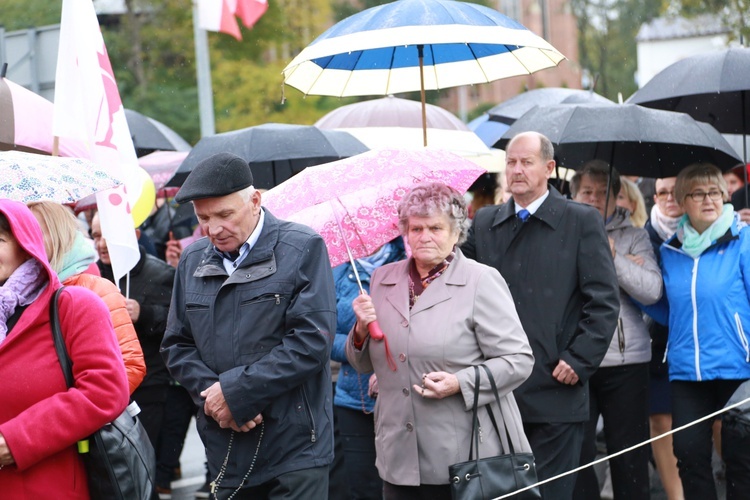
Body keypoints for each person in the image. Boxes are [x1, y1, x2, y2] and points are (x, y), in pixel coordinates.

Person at [161, 152, 337, 499]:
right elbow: (177, 345)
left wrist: (236, 394)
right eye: (203, 218)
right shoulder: (193, 259)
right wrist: (217, 399)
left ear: (255, 200)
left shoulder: (302, 248)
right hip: (226, 444)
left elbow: (310, 343)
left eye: (225, 215)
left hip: (295, 447)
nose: (214, 229)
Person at [348, 182, 534, 500]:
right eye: (416, 228)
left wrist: (459, 382)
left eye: (436, 227)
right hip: (397, 454)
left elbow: (518, 360)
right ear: (405, 231)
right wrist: (361, 331)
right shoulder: (382, 279)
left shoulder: (480, 280)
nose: (425, 236)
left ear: (456, 231)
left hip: (462, 457)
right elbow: (363, 363)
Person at [462, 131, 620, 500]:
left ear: (549, 168)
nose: (516, 170)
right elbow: (456, 277)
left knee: (546, 495)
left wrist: (579, 359)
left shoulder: (580, 220)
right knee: (501, 494)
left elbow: (603, 301)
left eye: (526, 162)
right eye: (511, 162)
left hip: (556, 387)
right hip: (499, 387)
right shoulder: (485, 223)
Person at [0, 199, 129, 497]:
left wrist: (16, 440)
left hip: (46, 485)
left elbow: (105, 389)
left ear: (26, 244)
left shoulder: (74, 305)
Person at [640, 163, 750, 500]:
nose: (708, 200)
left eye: (715, 192)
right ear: (681, 201)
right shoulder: (671, 251)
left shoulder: (742, 240)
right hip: (687, 371)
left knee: (740, 458)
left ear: (725, 196)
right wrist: (632, 285)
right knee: (688, 455)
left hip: (738, 368)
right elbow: (666, 308)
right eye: (698, 193)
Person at [570, 161, 662, 499]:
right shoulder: (560, 234)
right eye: (587, 191)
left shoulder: (634, 236)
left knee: (629, 455)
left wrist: (614, 258)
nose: (594, 198)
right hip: (575, 360)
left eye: (602, 192)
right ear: (573, 194)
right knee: (578, 455)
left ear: (615, 197)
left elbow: (651, 290)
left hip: (627, 360)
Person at [27, 201, 146, 395]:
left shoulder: (96, 289)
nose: (26, 240)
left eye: (36, 231)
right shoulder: (15, 294)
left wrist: (77, 409)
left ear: (59, 235)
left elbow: (130, 366)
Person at [91, 213, 175, 453]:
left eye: (108, 236)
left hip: (149, 384)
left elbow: (181, 324)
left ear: (134, 236)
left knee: (144, 459)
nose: (101, 244)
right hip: (106, 384)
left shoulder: (161, 274)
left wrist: (145, 313)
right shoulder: (91, 276)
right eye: (96, 236)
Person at [332, 236, 406, 499]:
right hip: (355, 399)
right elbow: (322, 335)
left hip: (405, 396)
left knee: (405, 485)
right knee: (363, 487)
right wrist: (359, 337)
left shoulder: (409, 261)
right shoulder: (335, 271)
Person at [644, 176, 684, 500]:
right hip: (656, 340)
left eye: (676, 192)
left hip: (698, 336)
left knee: (716, 420)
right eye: (662, 192)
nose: (669, 198)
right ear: (654, 197)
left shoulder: (705, 231)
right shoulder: (644, 235)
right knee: (660, 419)